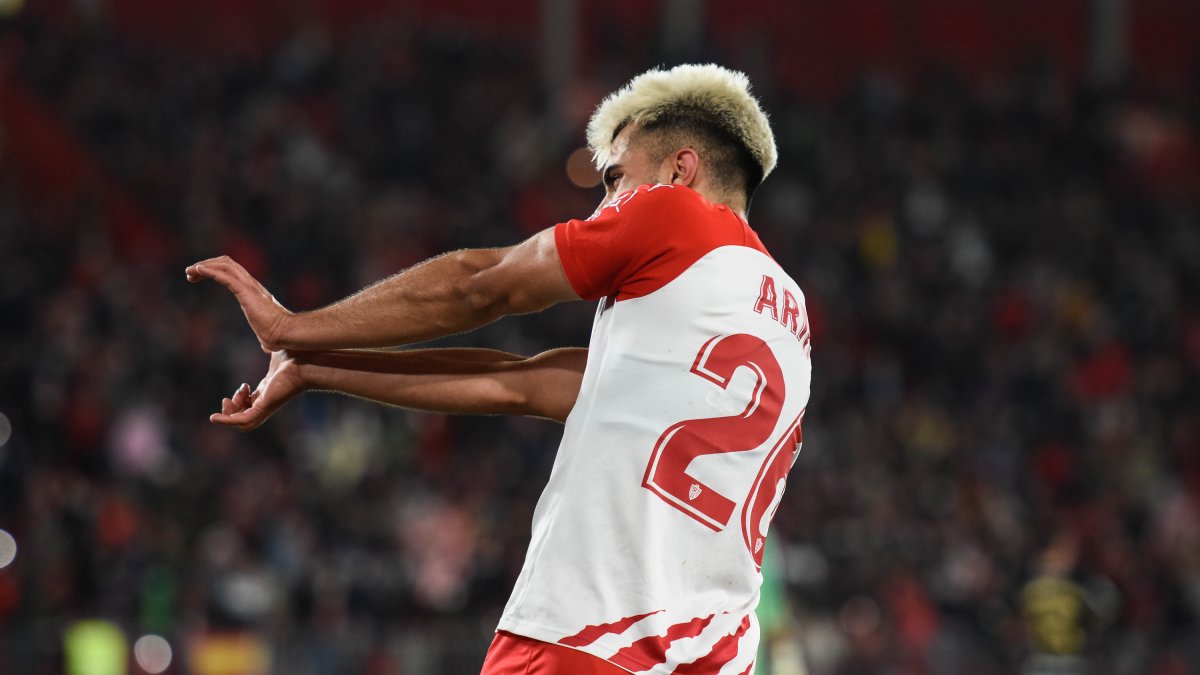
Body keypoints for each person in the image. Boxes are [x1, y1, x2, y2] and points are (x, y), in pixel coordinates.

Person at [187, 64, 812, 675]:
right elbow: (521, 383)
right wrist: (315, 367)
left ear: (681, 170)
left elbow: (480, 285)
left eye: (616, 178)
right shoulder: (789, 322)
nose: (606, 202)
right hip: (713, 656)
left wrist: (291, 326)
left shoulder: (674, 215)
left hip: (586, 638)